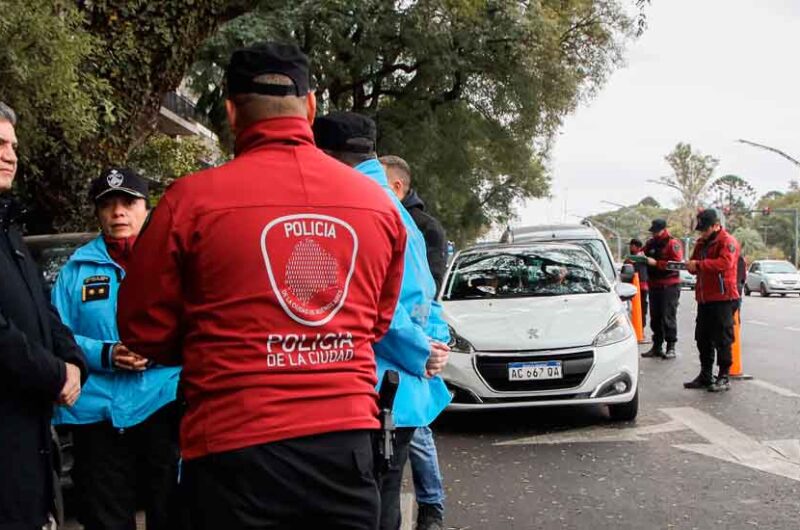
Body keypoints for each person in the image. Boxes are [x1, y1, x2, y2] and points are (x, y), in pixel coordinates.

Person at [117, 43, 408, 529]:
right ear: (311, 107)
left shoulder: (190, 201)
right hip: (346, 447)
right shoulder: (378, 206)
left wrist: (213, 343)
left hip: (234, 449)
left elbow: (142, 328)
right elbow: (377, 321)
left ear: (232, 112)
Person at [313, 112, 451, 530]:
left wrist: (422, 351)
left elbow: (374, 306)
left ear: (326, 155)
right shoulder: (394, 208)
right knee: (381, 504)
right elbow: (426, 296)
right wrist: (433, 346)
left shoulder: (354, 207)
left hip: (374, 391)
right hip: (400, 390)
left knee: (368, 512)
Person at [50, 168, 182, 530]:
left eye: (128, 202)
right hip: (96, 415)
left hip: (161, 403)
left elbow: (197, 323)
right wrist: (105, 354)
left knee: (172, 510)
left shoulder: (173, 261)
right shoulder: (74, 271)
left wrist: (158, 350)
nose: (118, 212)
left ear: (146, 207)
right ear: (98, 212)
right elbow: (56, 334)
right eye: (108, 204)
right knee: (104, 516)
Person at [0, 101, 88, 530]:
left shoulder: (10, 231)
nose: (10, 155)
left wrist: (72, 363)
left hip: (31, 449)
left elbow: (45, 309)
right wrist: (55, 375)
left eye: (13, 145)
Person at [380, 155, 447, 530]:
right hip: (401, 347)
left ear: (397, 187)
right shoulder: (382, 217)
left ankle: (432, 506)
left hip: (415, 343)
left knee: (418, 432)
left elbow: (426, 292)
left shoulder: (422, 228)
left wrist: (424, 346)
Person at [684, 209, 741, 392]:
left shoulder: (727, 241)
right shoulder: (702, 243)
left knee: (722, 338)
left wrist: (699, 265)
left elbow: (725, 264)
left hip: (723, 297)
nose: (702, 233)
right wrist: (691, 266)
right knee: (703, 337)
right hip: (704, 298)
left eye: (705, 229)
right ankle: (706, 375)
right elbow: (695, 265)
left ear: (716, 225)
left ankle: (723, 376)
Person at [381, 155, 448, 291]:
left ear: (396, 187)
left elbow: (433, 286)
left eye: (377, 184)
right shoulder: (374, 219)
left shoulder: (427, 228)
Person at [642, 219, 683, 359]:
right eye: (653, 231)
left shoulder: (673, 244)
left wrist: (657, 263)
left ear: (663, 229)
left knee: (668, 316)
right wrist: (639, 257)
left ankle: (671, 347)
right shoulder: (650, 243)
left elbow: (677, 265)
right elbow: (642, 253)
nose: (654, 234)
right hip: (654, 285)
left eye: (656, 231)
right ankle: (657, 346)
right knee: (655, 317)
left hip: (669, 286)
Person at [625, 238, 649, 329]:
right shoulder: (631, 258)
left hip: (641, 287)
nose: (630, 247)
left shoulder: (642, 258)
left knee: (641, 308)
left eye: (632, 246)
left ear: (638, 247)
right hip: (630, 287)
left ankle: (640, 328)